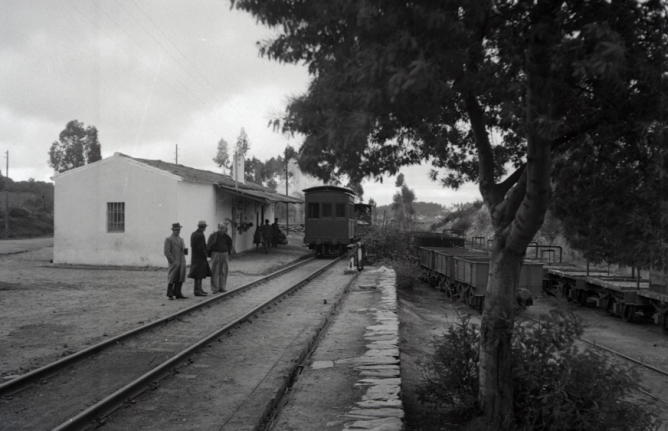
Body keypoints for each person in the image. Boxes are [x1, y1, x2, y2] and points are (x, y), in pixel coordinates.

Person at [207, 223, 237, 294]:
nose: (222, 230)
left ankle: (222, 287)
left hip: (225, 254)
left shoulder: (227, 236)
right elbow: (208, 245)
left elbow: (230, 245)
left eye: (223, 228)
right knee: (214, 270)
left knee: (224, 271)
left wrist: (228, 253)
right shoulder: (213, 236)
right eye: (221, 228)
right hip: (215, 253)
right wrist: (209, 253)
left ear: (225, 229)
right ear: (218, 228)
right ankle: (215, 288)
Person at [163, 222, 187, 300]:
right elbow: (167, 251)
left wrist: (185, 251)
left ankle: (178, 293)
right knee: (172, 278)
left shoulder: (181, 239)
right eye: (176, 230)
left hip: (181, 262)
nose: (178, 231)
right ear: (173, 230)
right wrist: (173, 261)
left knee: (180, 278)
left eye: (179, 229)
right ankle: (170, 294)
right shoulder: (169, 239)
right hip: (174, 262)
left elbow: (182, 250)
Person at [188, 220, 212, 296]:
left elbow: (193, 245)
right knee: (199, 274)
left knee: (197, 274)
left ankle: (199, 289)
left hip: (194, 257)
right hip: (200, 258)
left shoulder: (193, 234)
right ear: (204, 227)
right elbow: (201, 248)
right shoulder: (201, 235)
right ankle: (198, 290)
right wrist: (206, 255)